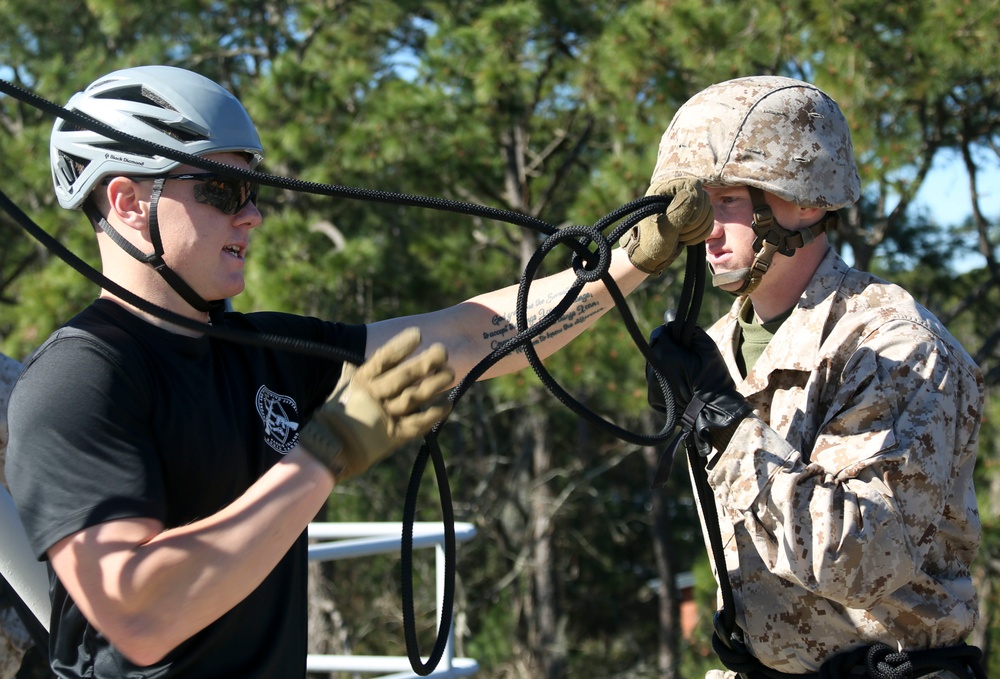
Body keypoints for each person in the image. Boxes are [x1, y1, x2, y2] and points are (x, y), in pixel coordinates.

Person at [2, 65, 713, 679]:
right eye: (222, 190)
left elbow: (466, 335)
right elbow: (139, 611)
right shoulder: (78, 383)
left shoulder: (262, 349)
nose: (251, 216)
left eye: (255, 192)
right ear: (128, 202)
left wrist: (628, 264)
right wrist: (326, 451)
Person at [644, 75, 985, 678]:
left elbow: (863, 562)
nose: (707, 231)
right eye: (696, 206)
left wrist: (730, 430)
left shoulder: (895, 347)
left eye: (728, 201)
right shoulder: (718, 346)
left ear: (804, 202)